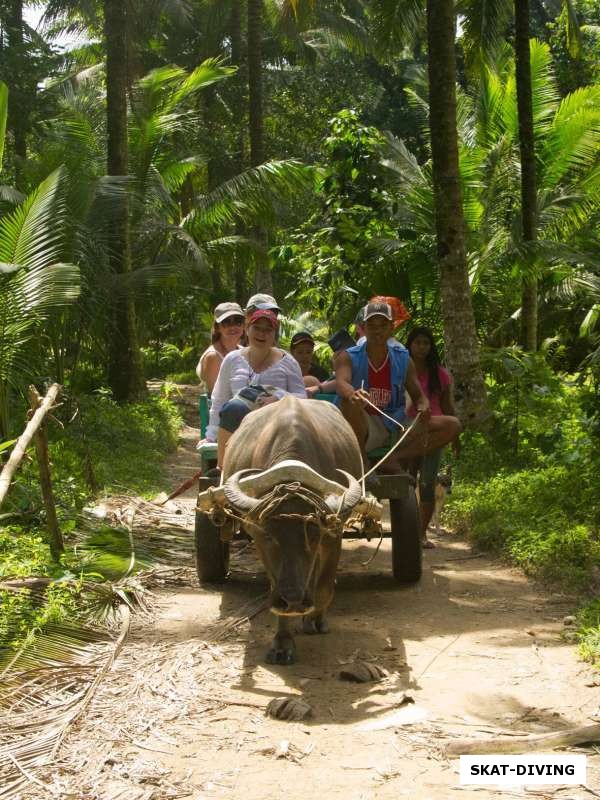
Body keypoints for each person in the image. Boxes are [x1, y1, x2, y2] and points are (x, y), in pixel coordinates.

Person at [335, 301, 460, 473]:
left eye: (383, 325)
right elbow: (341, 383)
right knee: (350, 403)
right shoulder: (347, 356)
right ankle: (362, 460)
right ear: (363, 327)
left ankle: (394, 458)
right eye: (371, 325)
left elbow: (418, 395)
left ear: (391, 327)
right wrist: (353, 393)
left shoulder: (403, 359)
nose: (377, 330)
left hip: (394, 422)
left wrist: (424, 405)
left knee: (452, 425)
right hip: (363, 424)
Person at [205, 308, 306, 468]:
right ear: (247, 330)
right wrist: (211, 435)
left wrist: (279, 397)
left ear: (274, 335)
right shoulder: (232, 359)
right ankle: (222, 469)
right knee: (233, 407)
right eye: (257, 328)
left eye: (268, 330)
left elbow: (302, 396)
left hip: (277, 425)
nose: (262, 334)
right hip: (236, 427)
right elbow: (219, 400)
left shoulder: (289, 362)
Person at [406, 327, 460, 548]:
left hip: (436, 431)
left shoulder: (441, 374)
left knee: (427, 482)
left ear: (431, 347)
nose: (422, 347)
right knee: (408, 481)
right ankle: (406, 531)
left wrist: (456, 437)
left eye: (426, 343)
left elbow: (447, 406)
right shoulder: (401, 370)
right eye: (417, 343)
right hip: (407, 430)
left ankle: (420, 535)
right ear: (410, 345)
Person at [196, 302, 244, 393]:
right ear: (217, 327)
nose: (233, 327)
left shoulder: (243, 351)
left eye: (238, 321)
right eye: (226, 322)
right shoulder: (213, 356)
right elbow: (216, 396)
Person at [289, 331, 332, 396]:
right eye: (300, 352)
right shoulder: (285, 371)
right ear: (292, 352)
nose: (305, 356)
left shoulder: (321, 373)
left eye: (308, 352)